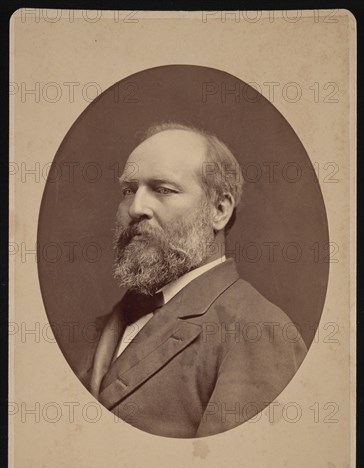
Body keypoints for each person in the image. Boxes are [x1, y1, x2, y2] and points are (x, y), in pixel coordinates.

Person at [80, 122, 307, 438]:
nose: (135, 207)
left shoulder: (259, 330)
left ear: (219, 210)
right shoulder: (107, 324)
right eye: (129, 190)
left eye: (163, 189)